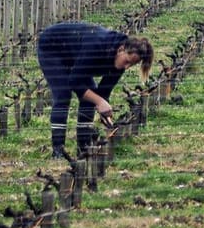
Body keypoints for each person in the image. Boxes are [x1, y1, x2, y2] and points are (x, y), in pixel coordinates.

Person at [36, 21, 154, 158]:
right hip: (53, 46)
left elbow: (103, 93)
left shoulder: (119, 62)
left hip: (74, 52)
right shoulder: (97, 46)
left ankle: (84, 148)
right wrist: (99, 101)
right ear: (121, 49)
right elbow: (74, 82)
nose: (127, 67)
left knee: (90, 95)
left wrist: (105, 114)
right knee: (63, 94)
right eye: (127, 61)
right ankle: (58, 151)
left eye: (132, 65)